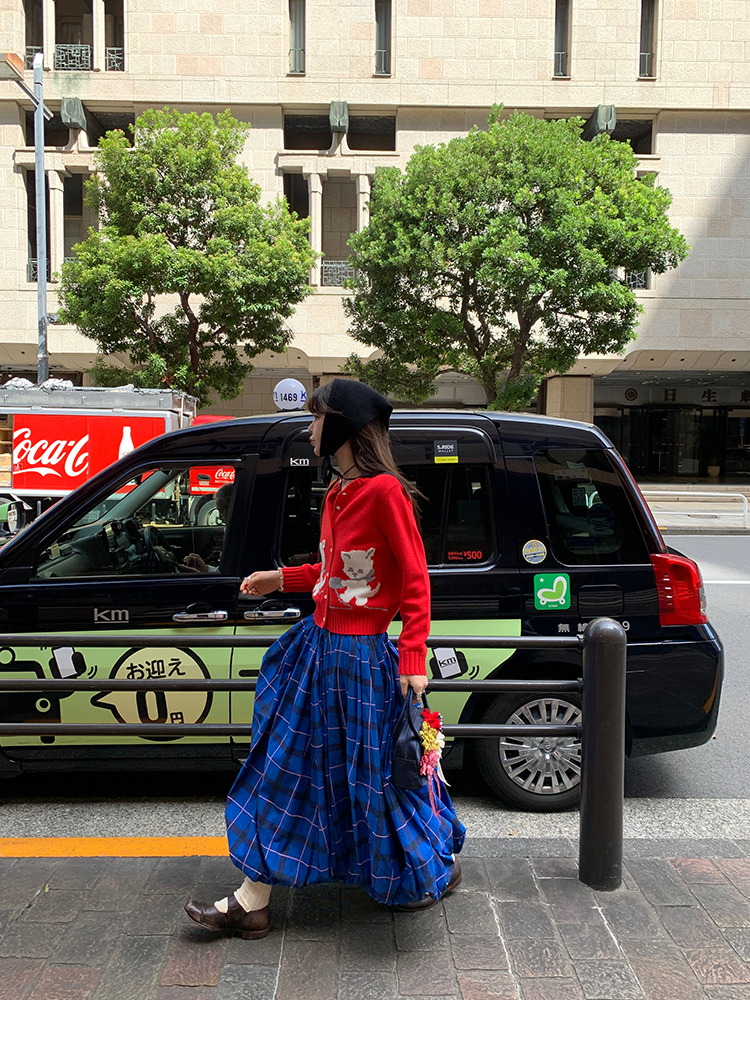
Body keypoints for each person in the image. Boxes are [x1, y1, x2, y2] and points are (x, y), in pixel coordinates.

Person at [184, 379, 465, 939]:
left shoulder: (383, 492)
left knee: (367, 776)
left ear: (341, 427)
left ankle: (423, 865)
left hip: (358, 659)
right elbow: (338, 573)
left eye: (316, 419)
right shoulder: (339, 493)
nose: (309, 429)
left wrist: (413, 656)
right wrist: (281, 578)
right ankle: (255, 899)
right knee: (298, 768)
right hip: (319, 650)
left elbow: (415, 578)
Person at [180, 483, 233, 573]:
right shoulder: (234, 533)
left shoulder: (238, 537)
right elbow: (223, 573)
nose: (220, 518)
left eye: (222, 512)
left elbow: (227, 576)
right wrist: (205, 569)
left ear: (233, 510)